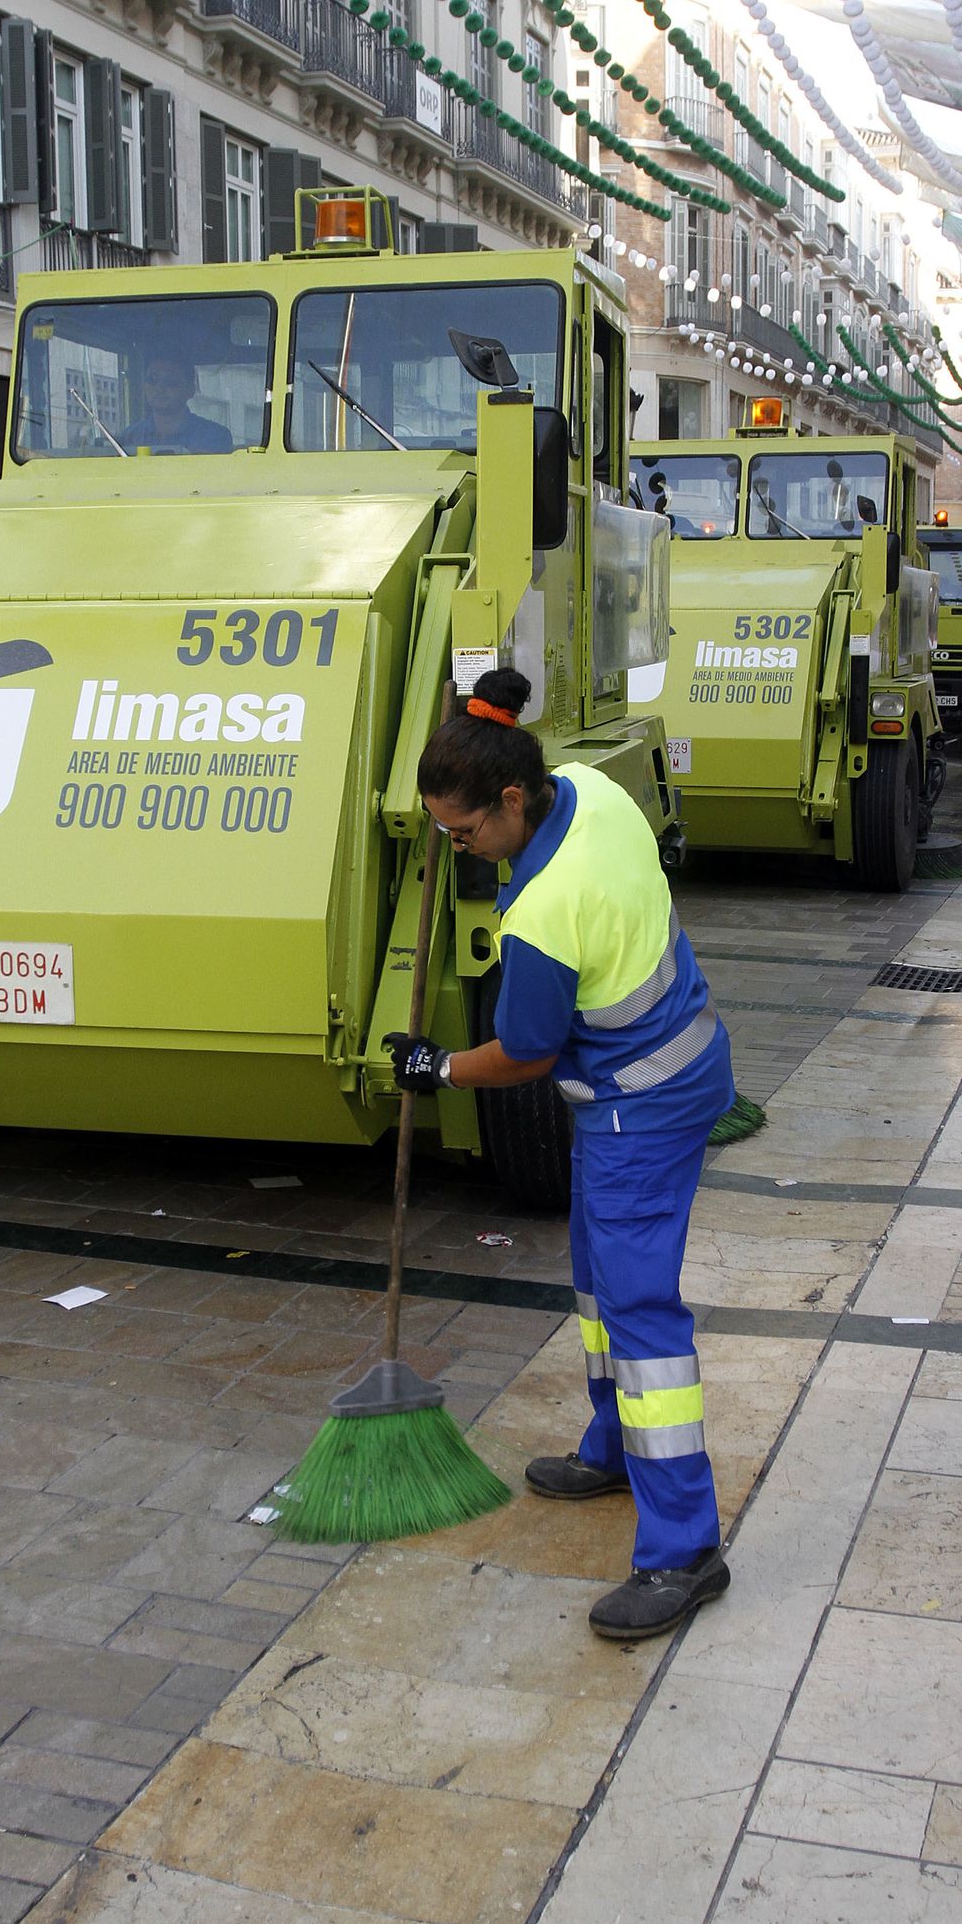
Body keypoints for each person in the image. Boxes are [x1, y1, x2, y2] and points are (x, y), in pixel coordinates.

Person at [385, 668, 734, 1643]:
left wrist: (440, 1067)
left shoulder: (541, 914)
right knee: (594, 1283)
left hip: (641, 1109)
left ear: (509, 800)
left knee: (639, 1314)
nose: (455, 849)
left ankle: (683, 1549)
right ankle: (614, 1445)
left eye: (462, 833)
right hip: (680, 1059)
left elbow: (526, 1051)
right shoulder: (591, 790)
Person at [120, 352, 232, 454]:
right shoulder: (131, 436)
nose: (160, 388)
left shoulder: (214, 436)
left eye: (170, 381)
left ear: (190, 390)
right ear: (144, 386)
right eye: (152, 380)